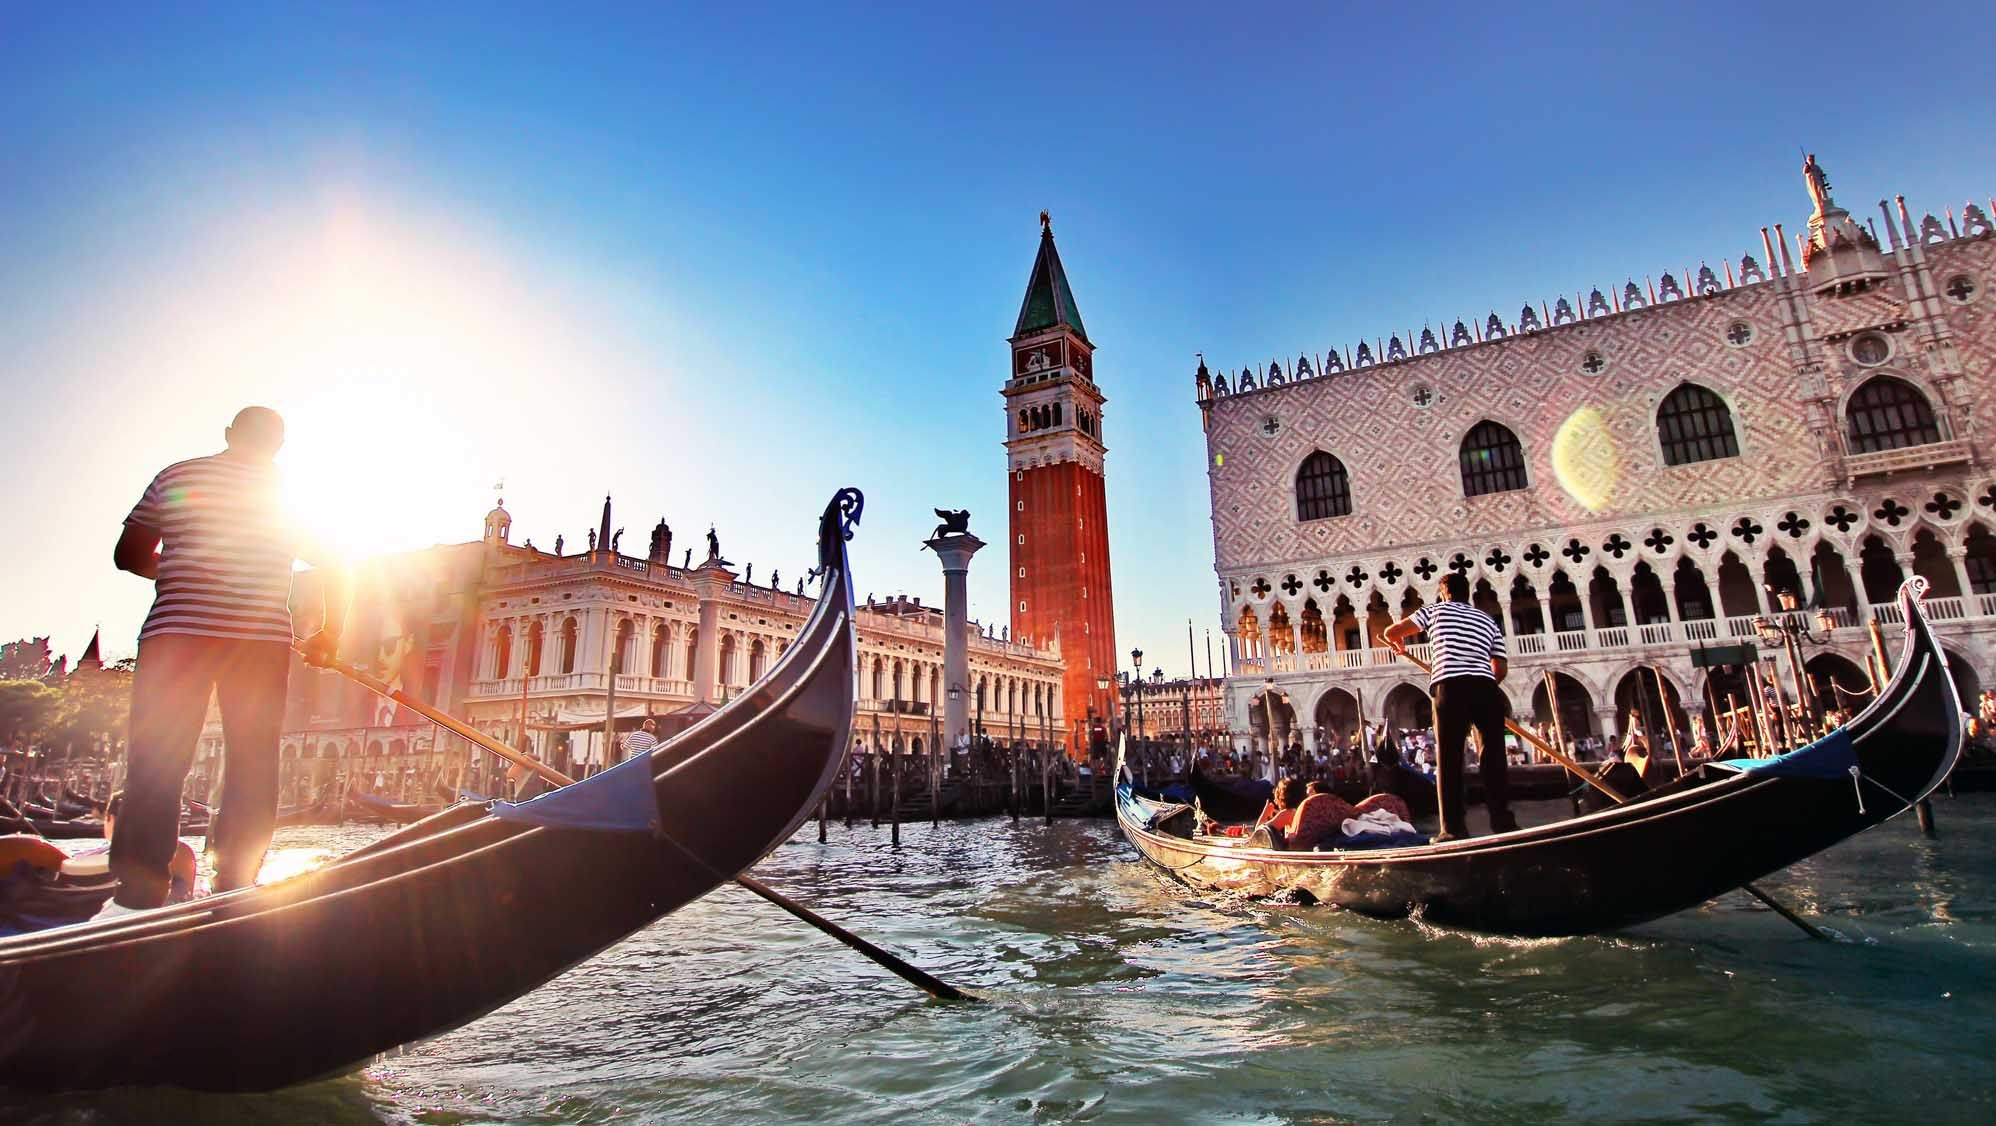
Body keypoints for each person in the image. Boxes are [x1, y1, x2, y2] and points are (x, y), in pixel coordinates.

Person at [101, 407, 347, 919]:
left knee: (157, 758)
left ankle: (140, 886)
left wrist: (180, 574)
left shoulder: (178, 476)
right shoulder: (292, 497)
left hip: (176, 637)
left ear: (230, 435)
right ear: (279, 444)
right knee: (253, 760)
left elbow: (128, 553)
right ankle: (235, 876)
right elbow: (338, 564)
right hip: (257, 641)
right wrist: (329, 635)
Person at [1382, 573, 1515, 841]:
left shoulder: (1435, 611)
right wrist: (1484, 682)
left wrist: (1398, 643)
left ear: (1443, 594)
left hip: (1450, 687)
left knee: (1449, 759)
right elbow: (1500, 668)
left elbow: (1390, 632)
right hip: (1486, 689)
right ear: (1468, 594)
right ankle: (1503, 824)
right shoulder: (1488, 620)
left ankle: (1453, 830)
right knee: (1494, 759)